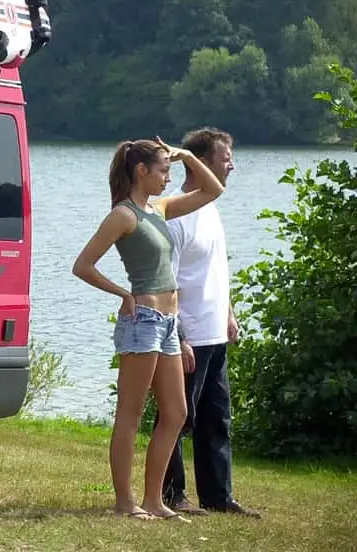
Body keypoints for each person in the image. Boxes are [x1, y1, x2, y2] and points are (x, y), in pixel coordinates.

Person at [72, 137, 224, 521]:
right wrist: (122, 293)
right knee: (131, 412)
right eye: (163, 171)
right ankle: (125, 502)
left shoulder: (160, 208)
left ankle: (154, 500)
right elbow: (83, 265)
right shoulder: (123, 215)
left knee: (176, 412)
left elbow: (213, 190)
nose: (167, 178)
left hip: (169, 324)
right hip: (143, 321)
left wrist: (186, 155)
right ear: (141, 171)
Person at [158, 127, 261, 518]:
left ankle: (218, 496)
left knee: (217, 419)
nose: (231, 165)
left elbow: (216, 266)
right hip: (188, 336)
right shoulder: (175, 214)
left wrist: (229, 311)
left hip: (215, 332)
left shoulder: (210, 208)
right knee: (177, 417)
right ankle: (171, 494)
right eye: (225, 158)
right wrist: (179, 336)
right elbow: (165, 282)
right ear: (201, 162)